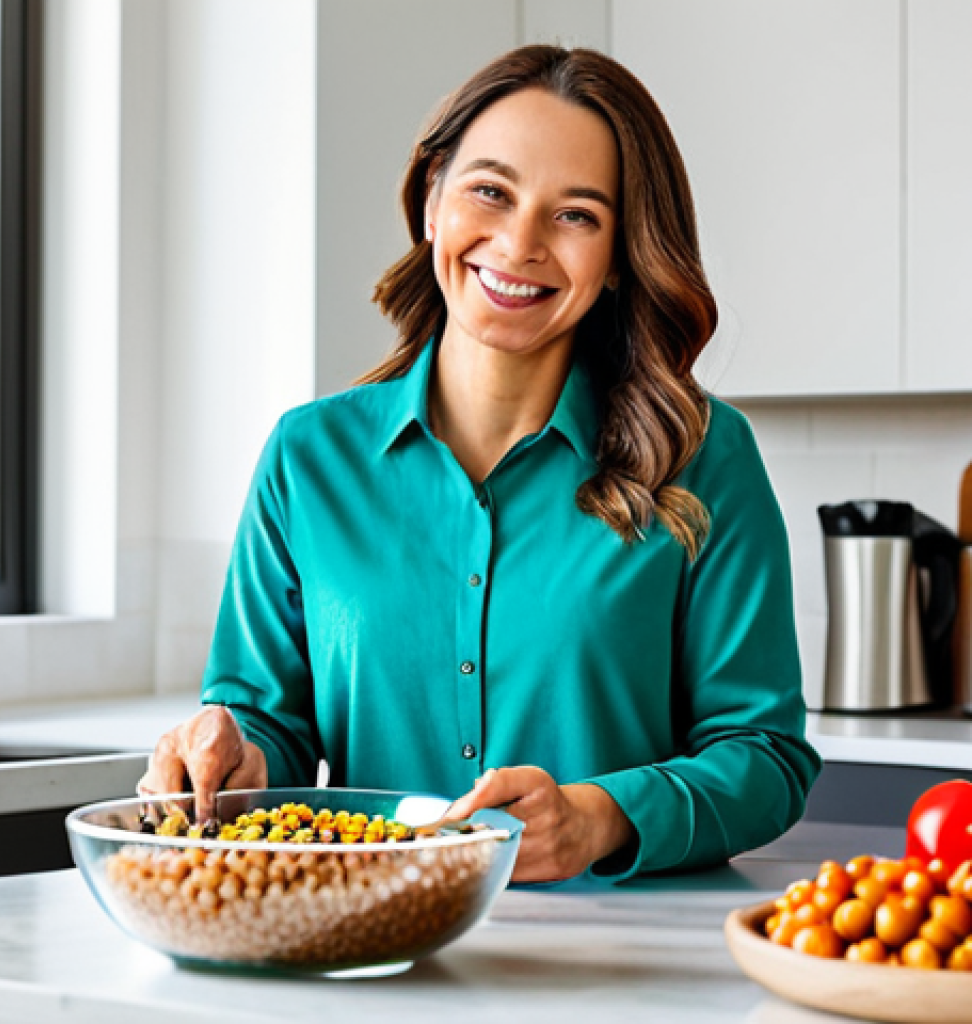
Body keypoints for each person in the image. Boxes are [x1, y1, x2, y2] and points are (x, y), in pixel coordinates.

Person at [139, 45, 821, 884]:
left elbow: (765, 759)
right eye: (490, 192)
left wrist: (600, 819)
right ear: (432, 200)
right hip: (374, 951)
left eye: (576, 215)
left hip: (623, 970)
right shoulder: (308, 458)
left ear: (617, 259)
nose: (520, 242)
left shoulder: (705, 458)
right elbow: (267, 725)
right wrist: (229, 752)